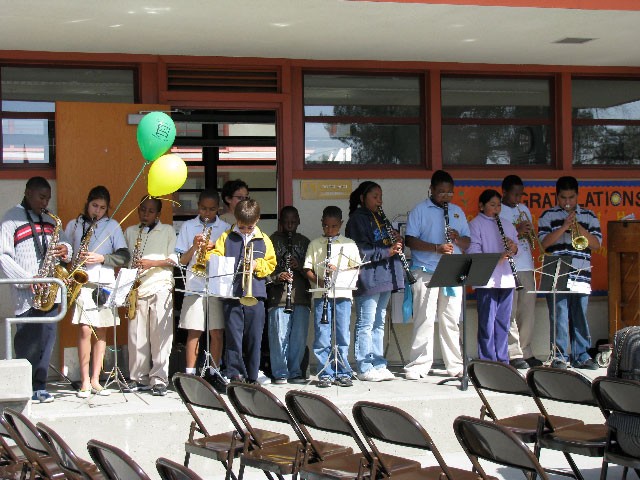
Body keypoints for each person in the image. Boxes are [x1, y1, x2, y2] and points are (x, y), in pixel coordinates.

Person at [0, 177, 72, 404]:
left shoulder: (50, 221)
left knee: (47, 340)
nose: (45, 202)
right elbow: (3, 255)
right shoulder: (11, 218)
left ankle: (40, 385)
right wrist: (25, 278)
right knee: (27, 341)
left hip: (50, 290)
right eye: (41, 197)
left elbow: (67, 246)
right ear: (28, 193)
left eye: (48, 198)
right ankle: (24, 387)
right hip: (26, 293)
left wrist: (65, 249)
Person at [65, 186, 130, 398]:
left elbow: (124, 256)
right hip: (83, 282)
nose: (98, 211)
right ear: (87, 203)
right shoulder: (74, 225)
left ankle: (96, 379)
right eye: (94, 206)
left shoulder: (112, 226)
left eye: (102, 207)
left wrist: (102, 258)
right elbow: (65, 254)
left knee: (101, 330)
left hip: (104, 283)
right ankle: (83, 380)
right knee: (85, 329)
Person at [404, 170, 469, 380]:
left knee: (450, 318)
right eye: (441, 192)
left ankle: (455, 364)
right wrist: (436, 248)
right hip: (426, 269)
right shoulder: (419, 210)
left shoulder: (458, 211)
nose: (445, 196)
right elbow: (410, 241)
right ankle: (419, 364)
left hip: (452, 269)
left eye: (449, 193)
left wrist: (458, 239)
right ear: (431, 189)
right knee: (425, 317)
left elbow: (468, 243)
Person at [207, 199, 276, 384]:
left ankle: (253, 375)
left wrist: (257, 264)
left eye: (249, 227)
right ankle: (235, 374)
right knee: (233, 335)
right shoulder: (226, 236)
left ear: (258, 220)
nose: (245, 230)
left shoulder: (264, 239)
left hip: (256, 294)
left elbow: (271, 263)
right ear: (236, 219)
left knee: (254, 336)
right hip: (232, 293)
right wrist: (215, 258)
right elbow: (215, 256)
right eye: (242, 226)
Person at [538, 176, 602, 370]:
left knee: (579, 314)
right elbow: (544, 243)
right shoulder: (547, 215)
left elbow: (597, 245)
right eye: (563, 198)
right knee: (558, 315)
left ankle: (581, 355)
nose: (567, 202)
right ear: (556, 196)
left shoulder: (589, 216)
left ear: (577, 195)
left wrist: (578, 227)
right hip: (556, 270)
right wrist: (564, 227)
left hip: (580, 271)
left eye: (571, 197)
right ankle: (559, 356)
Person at [345, 181, 403, 382]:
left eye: (380, 196)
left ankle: (378, 363)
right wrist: (387, 251)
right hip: (369, 277)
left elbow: (387, 245)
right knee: (366, 322)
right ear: (363, 198)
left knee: (379, 322)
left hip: (385, 275)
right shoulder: (356, 220)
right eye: (375, 197)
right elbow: (360, 250)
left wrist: (395, 241)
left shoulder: (381, 219)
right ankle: (364, 366)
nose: (379, 201)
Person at [176, 190, 230, 391]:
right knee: (194, 331)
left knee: (216, 332)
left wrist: (215, 245)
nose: (207, 213)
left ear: (219, 209)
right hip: (194, 284)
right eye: (203, 208)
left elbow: (228, 256)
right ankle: (190, 375)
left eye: (212, 209)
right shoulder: (188, 227)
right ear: (198, 206)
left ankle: (214, 373)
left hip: (216, 285)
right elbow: (181, 261)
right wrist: (194, 247)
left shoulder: (225, 228)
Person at [124, 196, 178, 396]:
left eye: (150, 211)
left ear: (158, 213)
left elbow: (174, 259)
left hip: (160, 286)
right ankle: (138, 378)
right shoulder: (130, 231)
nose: (145, 214)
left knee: (160, 336)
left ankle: (159, 379)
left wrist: (151, 263)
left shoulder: (168, 231)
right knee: (136, 336)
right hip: (137, 288)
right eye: (142, 210)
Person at [304, 205, 361, 388]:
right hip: (323, 295)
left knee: (342, 333)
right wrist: (320, 281)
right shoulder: (315, 244)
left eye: (334, 227)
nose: (330, 231)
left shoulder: (349, 244)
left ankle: (343, 371)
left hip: (343, 294)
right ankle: (325, 372)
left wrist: (338, 271)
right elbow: (308, 269)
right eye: (326, 226)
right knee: (322, 334)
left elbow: (356, 268)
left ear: (341, 224)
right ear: (322, 223)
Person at [467, 189, 519, 364]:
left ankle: (503, 360)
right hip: (486, 280)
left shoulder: (507, 224)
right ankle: (488, 360)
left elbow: (516, 249)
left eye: (498, 205)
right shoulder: (475, 224)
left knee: (503, 323)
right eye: (492, 205)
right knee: (487, 324)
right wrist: (499, 256)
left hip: (506, 278)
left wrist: (513, 248)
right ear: (481, 206)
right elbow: (473, 252)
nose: (496, 209)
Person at [500, 175, 543, 369]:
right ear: (504, 192)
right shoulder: (498, 211)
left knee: (527, 312)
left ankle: (526, 351)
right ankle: (513, 352)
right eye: (514, 194)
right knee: (510, 311)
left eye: (520, 194)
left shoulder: (523, 209)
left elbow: (530, 235)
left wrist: (528, 233)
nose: (518, 199)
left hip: (526, 264)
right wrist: (517, 229)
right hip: (508, 266)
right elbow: (498, 238)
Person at [267, 206, 311, 384]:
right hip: (278, 299)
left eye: (293, 222)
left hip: (300, 297)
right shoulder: (271, 241)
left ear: (299, 221)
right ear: (280, 222)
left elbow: (312, 271)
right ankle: (280, 373)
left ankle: (295, 372)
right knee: (278, 336)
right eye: (286, 222)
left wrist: (299, 266)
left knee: (298, 338)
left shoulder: (306, 242)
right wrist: (278, 276)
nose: (290, 225)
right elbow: (264, 270)